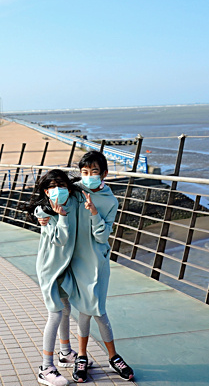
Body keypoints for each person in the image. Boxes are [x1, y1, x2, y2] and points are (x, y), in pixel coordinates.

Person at [67, 151, 133, 382]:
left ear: (104, 174)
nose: (89, 176)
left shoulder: (110, 200)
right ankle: (100, 356)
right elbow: (47, 198)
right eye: (84, 172)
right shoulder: (74, 191)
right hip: (76, 260)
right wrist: (41, 214)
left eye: (94, 172)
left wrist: (94, 213)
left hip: (98, 262)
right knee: (86, 310)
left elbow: (103, 236)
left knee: (96, 308)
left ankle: (94, 357)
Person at [27, 169, 81, 386]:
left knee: (66, 309)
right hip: (50, 270)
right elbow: (60, 240)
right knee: (55, 314)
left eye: (60, 185)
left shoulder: (72, 202)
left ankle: (65, 353)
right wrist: (63, 218)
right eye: (50, 187)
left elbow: (85, 190)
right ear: (45, 191)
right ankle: (45, 367)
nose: (56, 190)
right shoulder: (44, 211)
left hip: (65, 267)